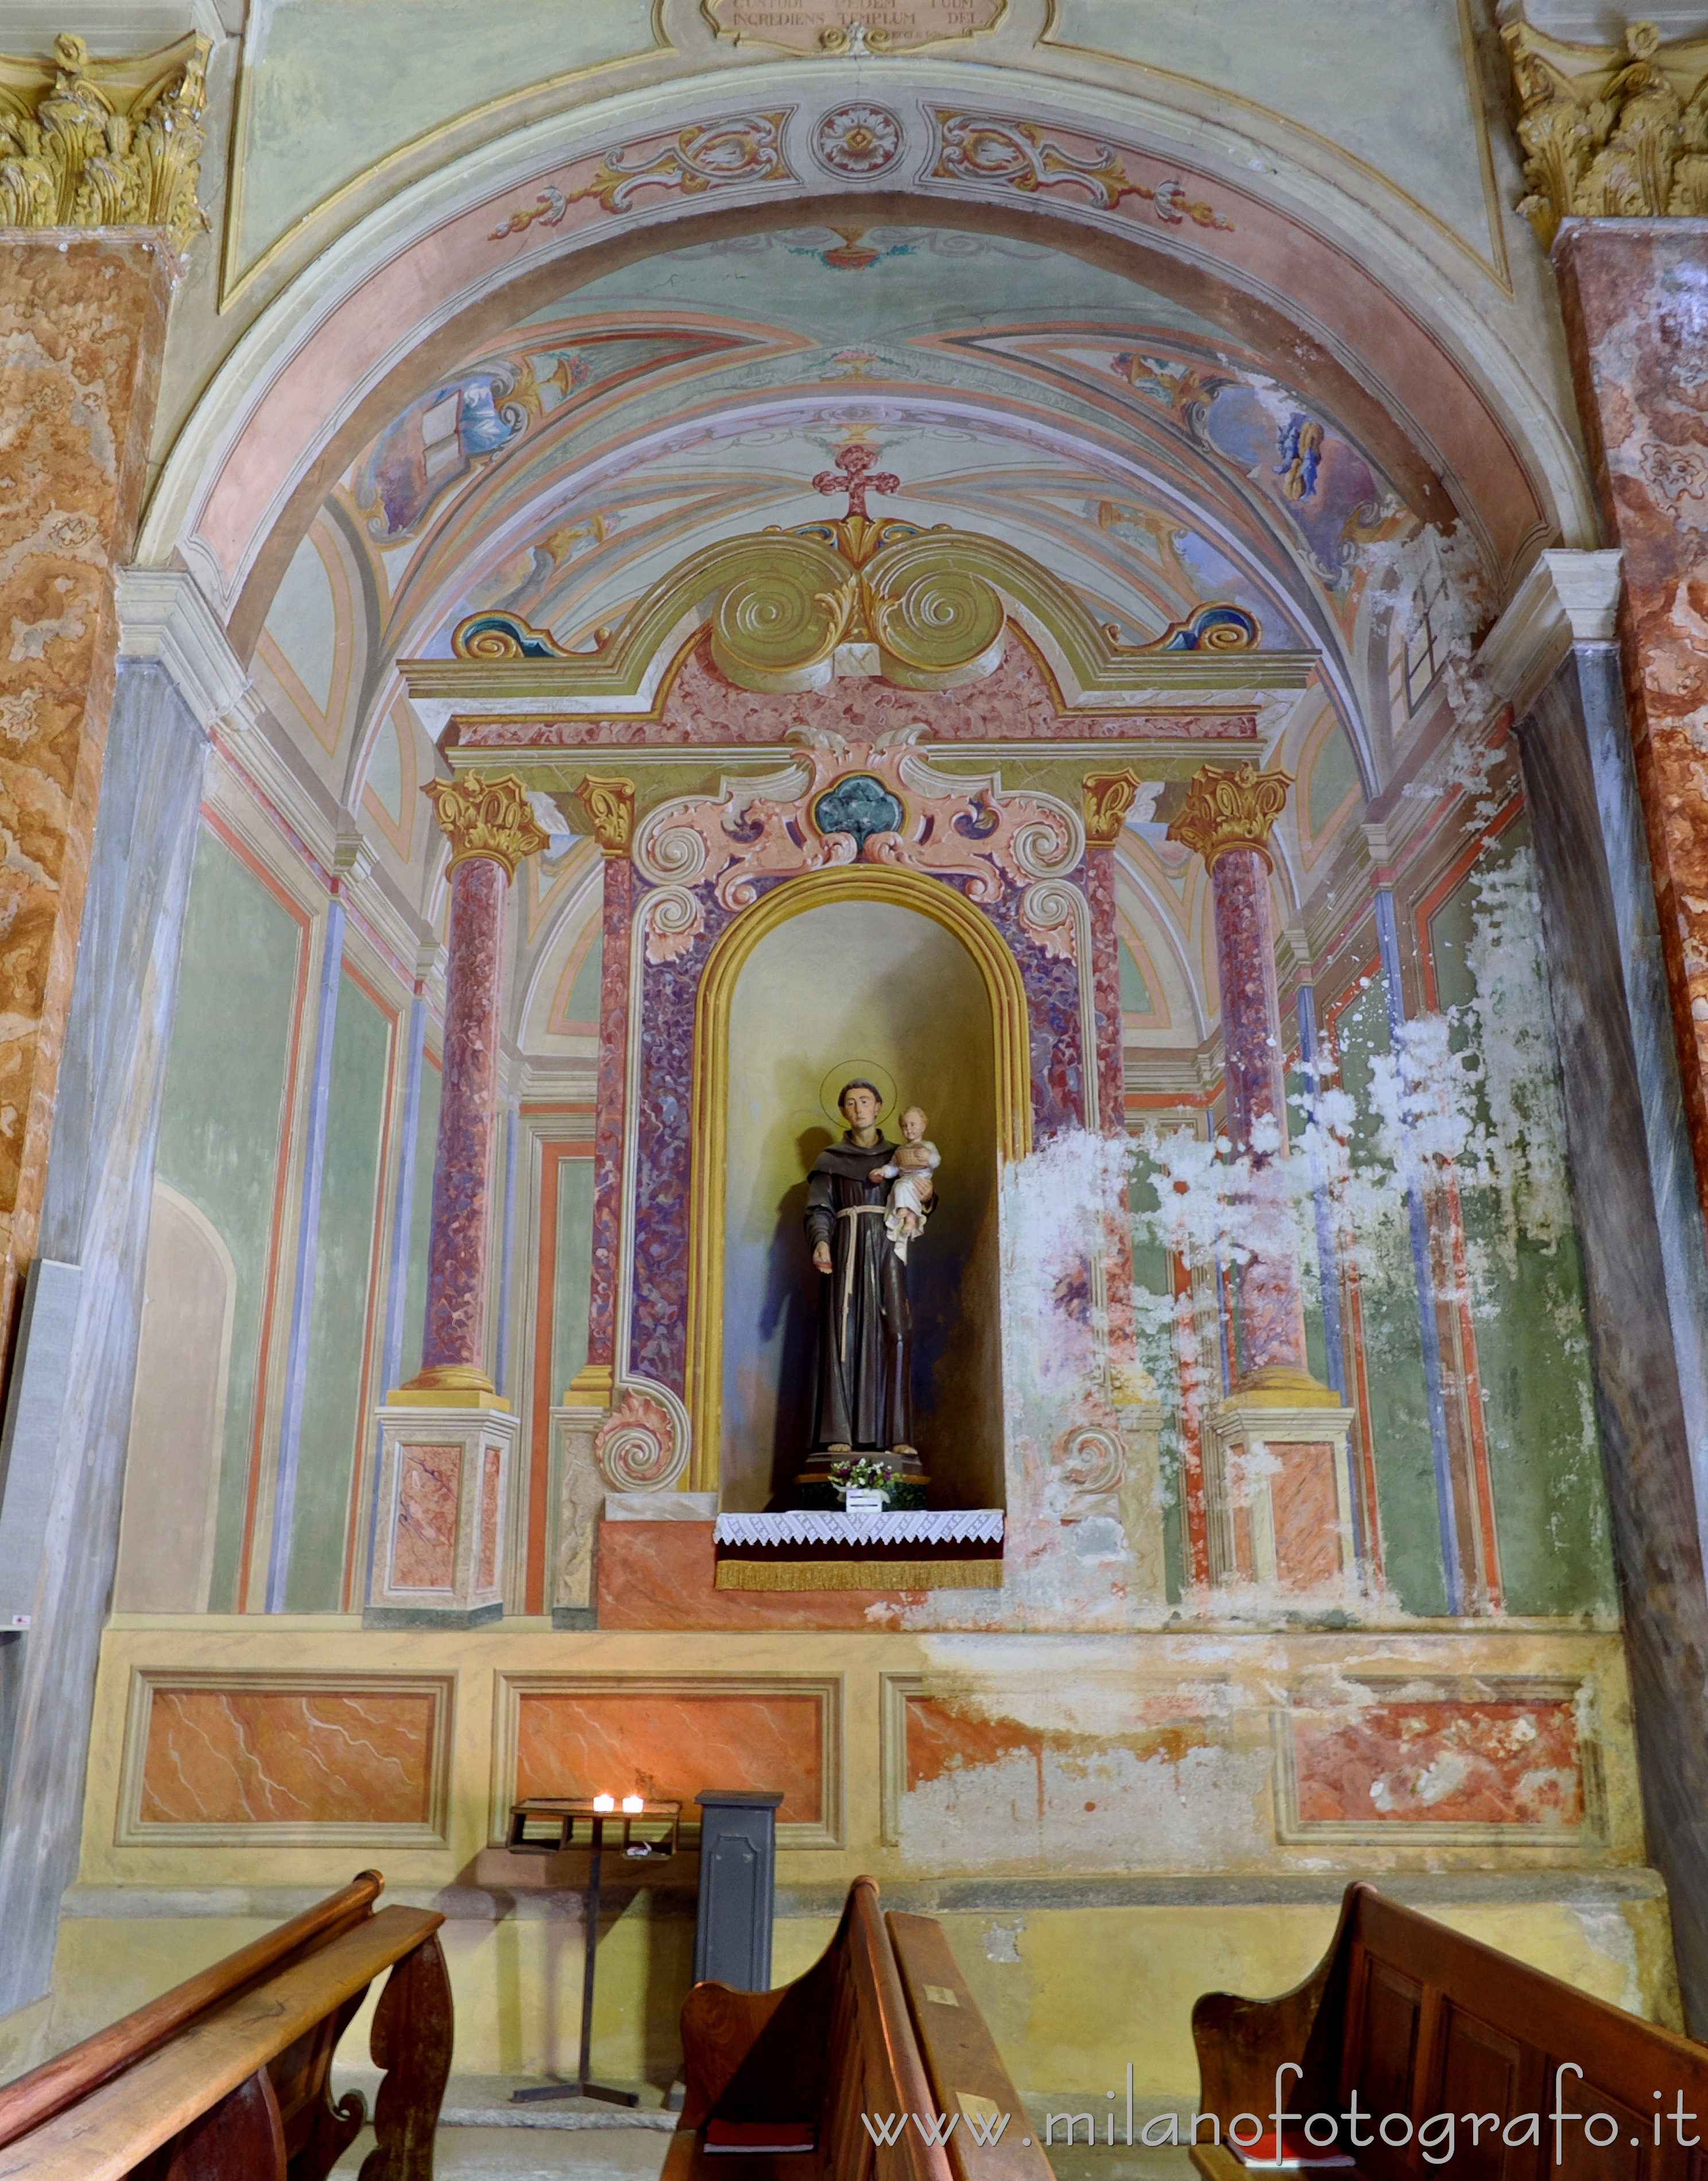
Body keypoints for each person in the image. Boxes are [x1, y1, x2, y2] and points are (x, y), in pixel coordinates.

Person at [801, 1081, 921, 1473]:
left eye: (865, 1101)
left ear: (879, 1107)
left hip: (888, 1247)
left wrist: (925, 1199)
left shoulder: (898, 1156)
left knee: (896, 1331)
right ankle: (839, 1431)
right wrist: (821, 1241)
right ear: (842, 1111)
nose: (858, 1108)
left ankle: (897, 1434)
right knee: (843, 1332)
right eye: (850, 1103)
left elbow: (919, 1197)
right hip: (846, 1247)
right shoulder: (830, 1159)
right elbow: (818, 1208)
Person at [872, 1105, 940, 1258]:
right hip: (905, 1180)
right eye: (904, 1126)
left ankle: (908, 1218)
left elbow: (936, 1161)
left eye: (865, 1103)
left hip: (917, 1180)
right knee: (899, 1185)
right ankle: (906, 1215)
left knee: (902, 1186)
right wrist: (883, 1171)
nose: (908, 1129)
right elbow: (893, 1167)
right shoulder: (900, 1150)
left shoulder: (927, 1147)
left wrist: (928, 1157)